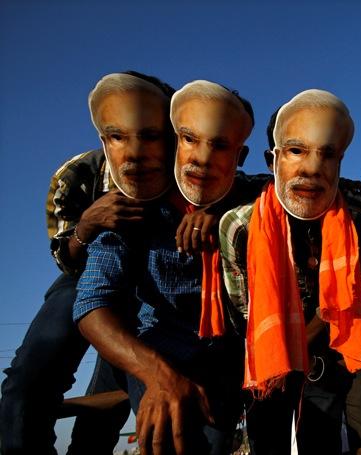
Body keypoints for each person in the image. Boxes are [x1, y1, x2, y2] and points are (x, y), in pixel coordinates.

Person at [74, 79, 262, 454]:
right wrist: (159, 376)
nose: (203, 159)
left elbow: (304, 195)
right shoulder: (133, 205)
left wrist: (225, 213)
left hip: (225, 353)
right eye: (190, 139)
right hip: (157, 347)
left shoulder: (256, 198)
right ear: (175, 140)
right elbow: (91, 303)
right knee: (165, 434)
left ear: (239, 157)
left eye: (221, 145)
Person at [0, 71, 175, 455]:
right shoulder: (78, 174)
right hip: (82, 274)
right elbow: (65, 258)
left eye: (150, 134)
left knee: (121, 387)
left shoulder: (186, 170)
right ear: (103, 136)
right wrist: (88, 224)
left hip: (153, 284)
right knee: (29, 377)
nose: (134, 152)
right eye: (117, 135)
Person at [219, 89, 361, 455]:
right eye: (296, 151)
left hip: (328, 351)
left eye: (327, 154)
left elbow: (355, 280)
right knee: (268, 441)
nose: (311, 168)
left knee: (323, 441)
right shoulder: (239, 227)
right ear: (272, 160)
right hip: (266, 359)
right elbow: (243, 315)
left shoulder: (358, 212)